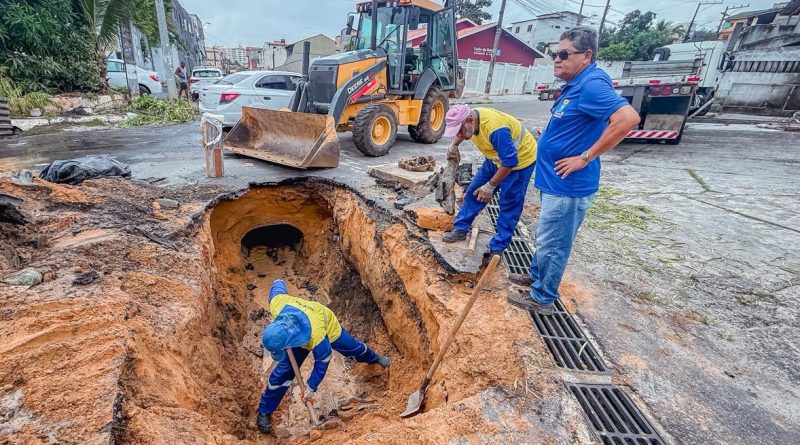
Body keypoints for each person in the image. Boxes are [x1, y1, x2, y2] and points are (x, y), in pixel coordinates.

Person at [506, 27, 640, 315]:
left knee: (555, 242)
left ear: (586, 55)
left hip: (569, 186)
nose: (556, 59)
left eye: (564, 54)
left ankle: (542, 298)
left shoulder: (591, 84)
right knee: (547, 237)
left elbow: (627, 119)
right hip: (555, 182)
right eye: (556, 53)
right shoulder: (576, 84)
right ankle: (537, 278)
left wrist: (585, 157)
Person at [255, 279, 391, 434]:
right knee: (281, 374)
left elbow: (322, 361)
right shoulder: (278, 304)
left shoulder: (318, 336)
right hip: (294, 335)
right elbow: (278, 284)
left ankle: (375, 358)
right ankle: (264, 411)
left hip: (326, 326)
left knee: (353, 348)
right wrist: (278, 280)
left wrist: (311, 387)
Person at [441, 104, 537, 256]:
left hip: (520, 163)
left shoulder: (496, 129)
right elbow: (462, 134)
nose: (459, 134)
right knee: (473, 191)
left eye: (459, 130)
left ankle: (497, 248)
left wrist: (490, 185)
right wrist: (454, 146)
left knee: (509, 203)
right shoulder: (472, 122)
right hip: (495, 159)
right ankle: (460, 228)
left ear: (470, 121)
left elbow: (510, 162)